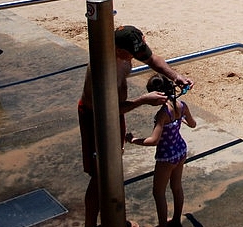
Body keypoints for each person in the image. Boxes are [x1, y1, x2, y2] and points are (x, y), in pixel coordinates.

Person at [79, 25, 192, 227]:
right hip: (96, 117)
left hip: (116, 114)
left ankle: (115, 220)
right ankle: (90, 224)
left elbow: (153, 60)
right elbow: (107, 109)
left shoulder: (127, 48)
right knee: (99, 174)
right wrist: (142, 100)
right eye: (131, 54)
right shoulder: (103, 68)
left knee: (113, 166)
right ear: (118, 50)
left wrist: (175, 76)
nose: (135, 58)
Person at [126, 74, 197, 227]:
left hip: (166, 156)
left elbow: (154, 140)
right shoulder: (181, 105)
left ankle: (163, 225)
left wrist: (133, 140)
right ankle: (177, 220)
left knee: (158, 192)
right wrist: (181, 120)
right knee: (176, 187)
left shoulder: (162, 114)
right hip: (180, 150)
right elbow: (193, 124)